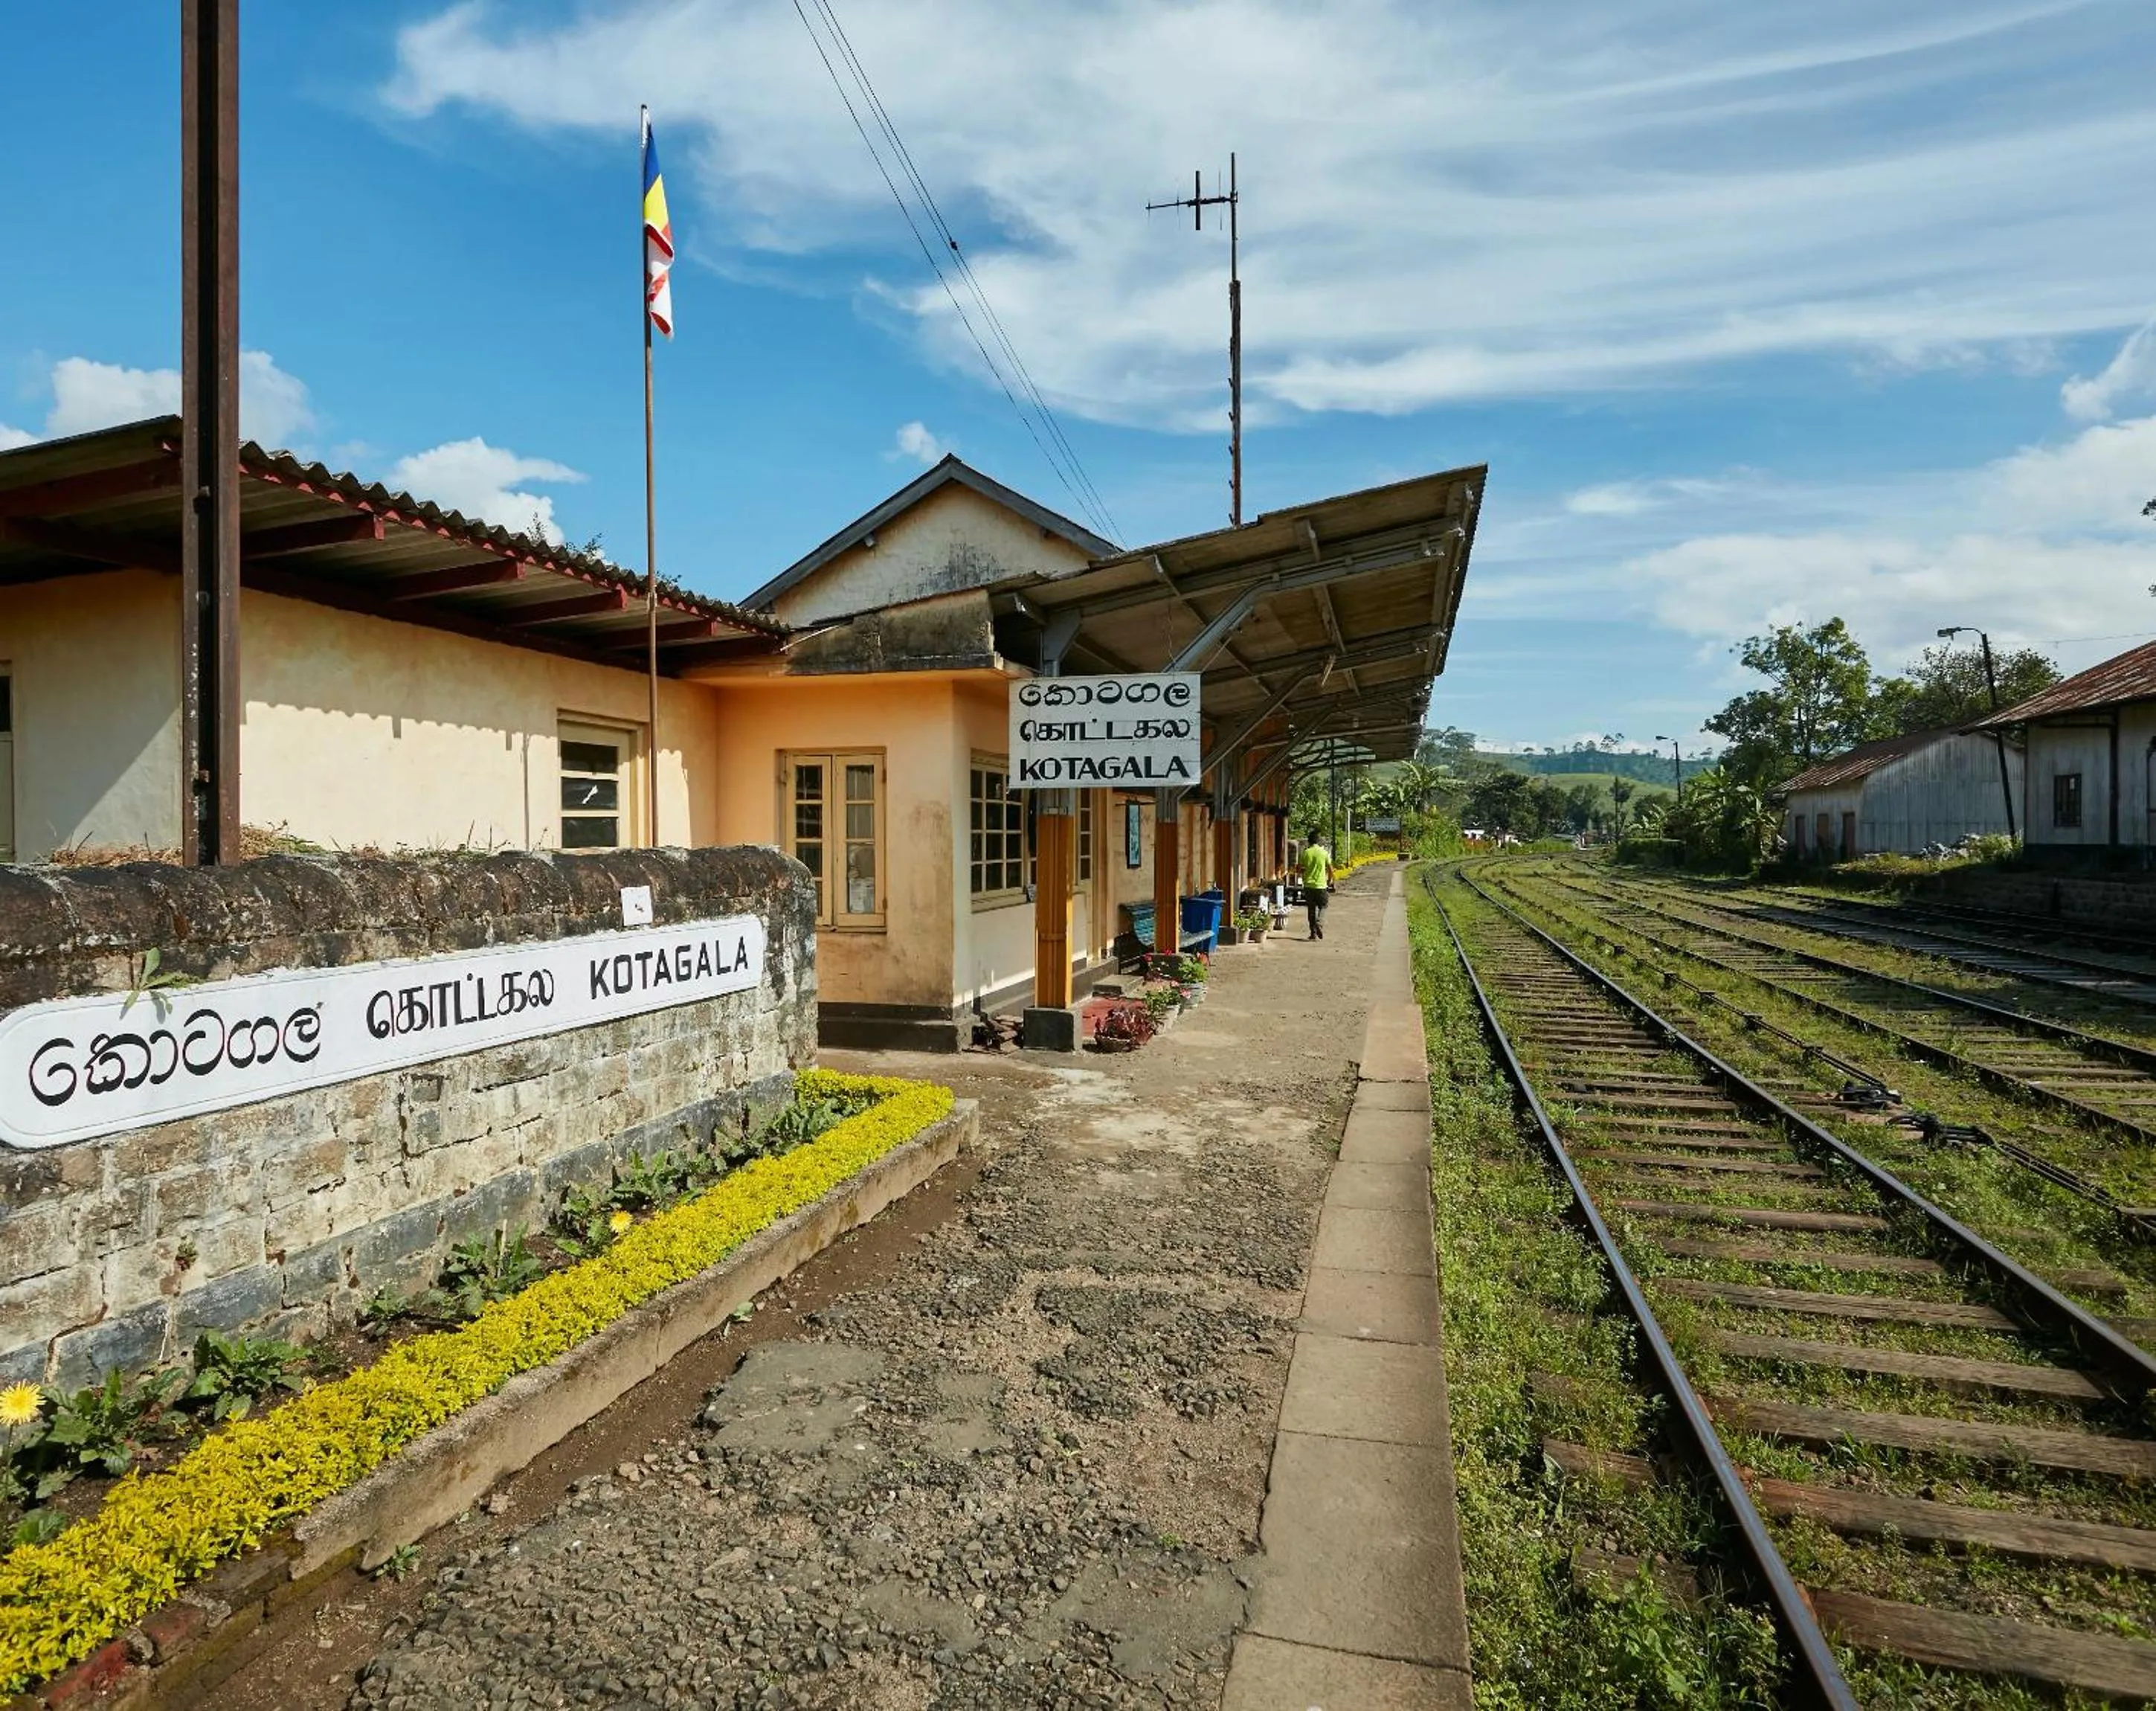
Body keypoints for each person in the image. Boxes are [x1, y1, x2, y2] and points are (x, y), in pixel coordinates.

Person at [1299, 840, 1335, 940]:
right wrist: (1330, 881)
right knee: (1323, 906)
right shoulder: (1324, 853)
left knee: (1311, 910)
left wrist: (1303, 874)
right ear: (1320, 843)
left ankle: (1313, 934)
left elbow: (1300, 868)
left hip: (1309, 886)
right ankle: (1319, 923)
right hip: (1321, 885)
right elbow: (1331, 869)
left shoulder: (1306, 852)